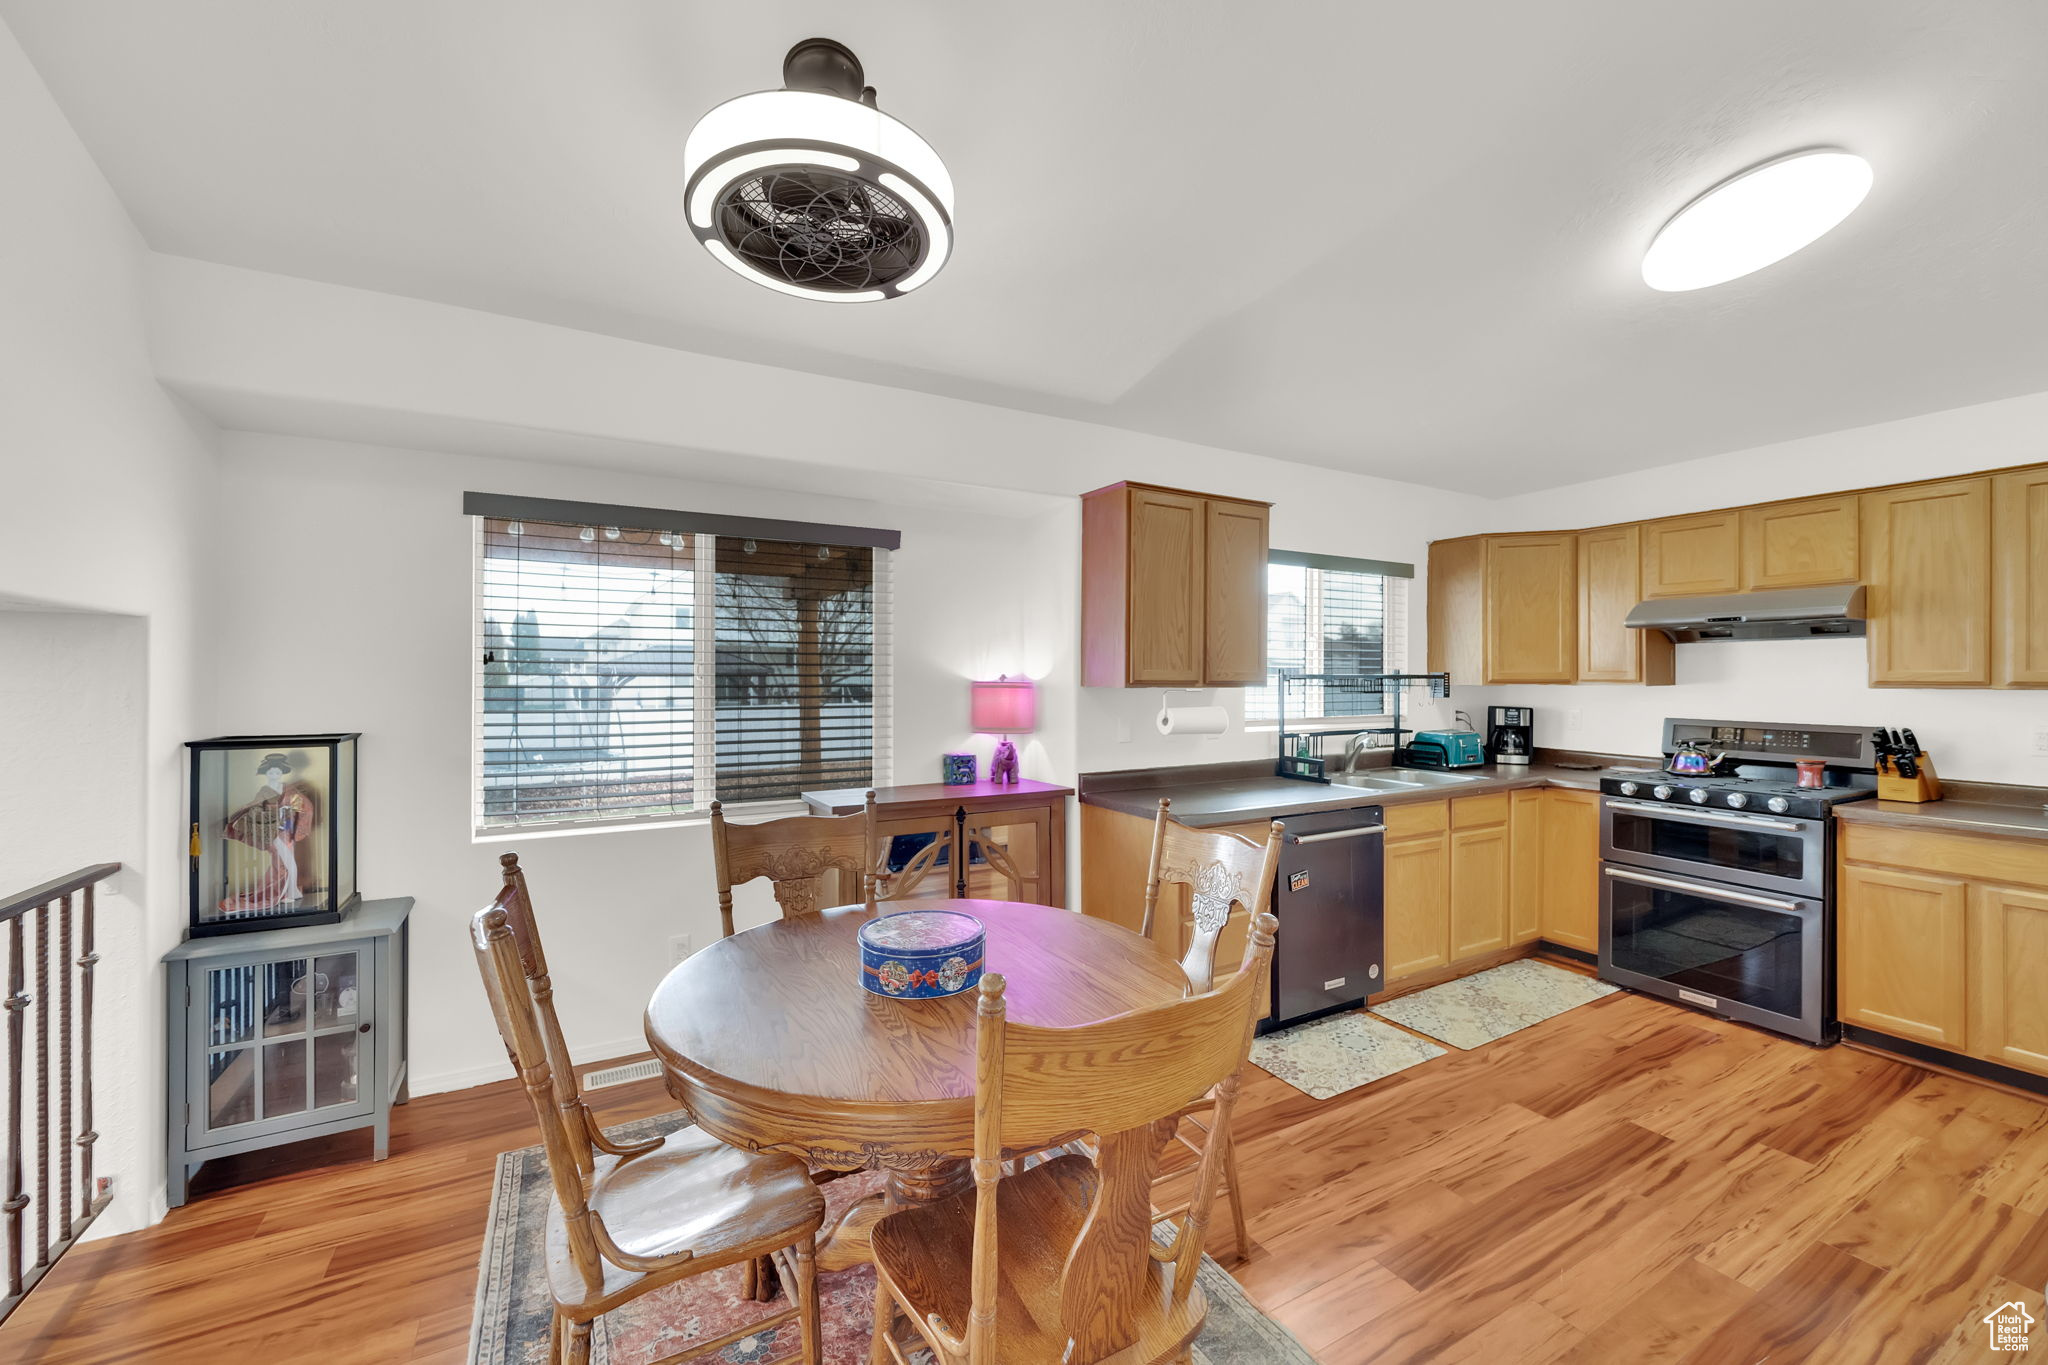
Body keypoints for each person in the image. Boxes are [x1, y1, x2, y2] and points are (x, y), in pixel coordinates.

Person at [219, 753, 318, 915]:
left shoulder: (289, 790)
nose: (274, 775)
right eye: (271, 773)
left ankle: (290, 891)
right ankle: (290, 891)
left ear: (281, 774)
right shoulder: (264, 791)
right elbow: (255, 809)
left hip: (287, 829)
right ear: (266, 774)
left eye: (277, 773)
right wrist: (272, 812)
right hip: (272, 831)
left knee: (285, 862)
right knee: (286, 861)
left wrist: (289, 811)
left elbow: (301, 806)